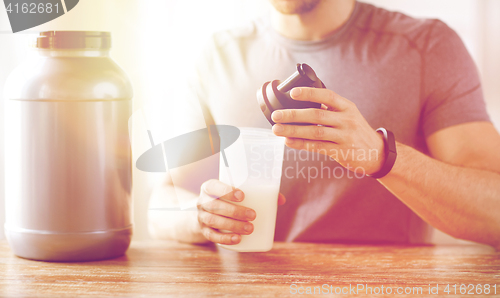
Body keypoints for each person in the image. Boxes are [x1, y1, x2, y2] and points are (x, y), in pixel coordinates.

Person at [147, 0, 500, 249]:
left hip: (382, 286)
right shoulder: (217, 56)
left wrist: (380, 156)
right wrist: (201, 217)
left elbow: (493, 212)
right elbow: (162, 203)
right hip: (251, 285)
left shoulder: (428, 48)